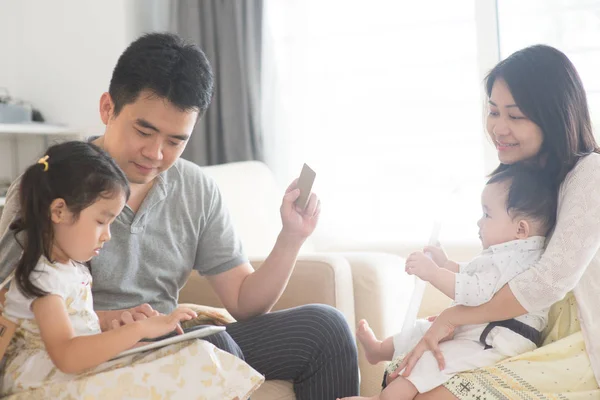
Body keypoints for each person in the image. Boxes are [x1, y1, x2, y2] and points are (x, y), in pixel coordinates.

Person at [0, 32, 359, 399]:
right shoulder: (50, 185)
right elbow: (11, 304)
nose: (155, 153)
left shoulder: (195, 189)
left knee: (326, 329)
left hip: (167, 334)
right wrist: (116, 323)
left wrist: (291, 237)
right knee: (210, 347)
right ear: (108, 108)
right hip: (99, 352)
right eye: (144, 131)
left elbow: (244, 301)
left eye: (175, 141)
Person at [390, 44, 600, 399]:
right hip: (522, 336)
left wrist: (454, 317)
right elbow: (500, 270)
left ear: (553, 116)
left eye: (515, 116)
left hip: (581, 344)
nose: (499, 128)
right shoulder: (524, 180)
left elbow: (548, 282)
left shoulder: (590, 173)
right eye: (493, 111)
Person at [0, 141, 263, 399]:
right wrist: (140, 330)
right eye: (102, 222)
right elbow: (67, 355)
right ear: (59, 211)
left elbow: (78, 318)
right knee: (191, 365)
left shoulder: (69, 269)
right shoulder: (42, 277)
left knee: (197, 355)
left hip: (70, 371)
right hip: (42, 384)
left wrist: (121, 317)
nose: (107, 236)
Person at [339, 165, 557, 400]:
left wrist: (432, 272)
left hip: (495, 340)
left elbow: (473, 291)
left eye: (487, 214)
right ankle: (379, 350)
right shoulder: (511, 253)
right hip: (483, 329)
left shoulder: (513, 259)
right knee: (424, 329)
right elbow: (471, 275)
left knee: (430, 360)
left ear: (521, 229)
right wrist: (445, 263)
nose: (479, 222)